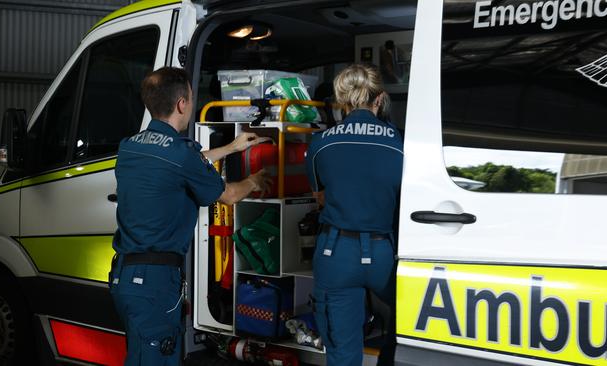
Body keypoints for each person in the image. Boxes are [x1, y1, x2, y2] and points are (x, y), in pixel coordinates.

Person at [108, 67, 270, 366]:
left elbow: (181, 164)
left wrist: (232, 148)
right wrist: (255, 181)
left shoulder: (130, 147)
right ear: (182, 104)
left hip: (124, 277)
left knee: (144, 354)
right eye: (192, 98)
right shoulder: (181, 154)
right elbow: (230, 195)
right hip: (155, 282)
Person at [305, 64, 403, 366]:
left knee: (342, 352)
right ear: (380, 98)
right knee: (413, 326)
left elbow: (318, 196)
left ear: (342, 101)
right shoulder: (402, 144)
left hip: (337, 253)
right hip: (384, 252)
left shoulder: (322, 143)